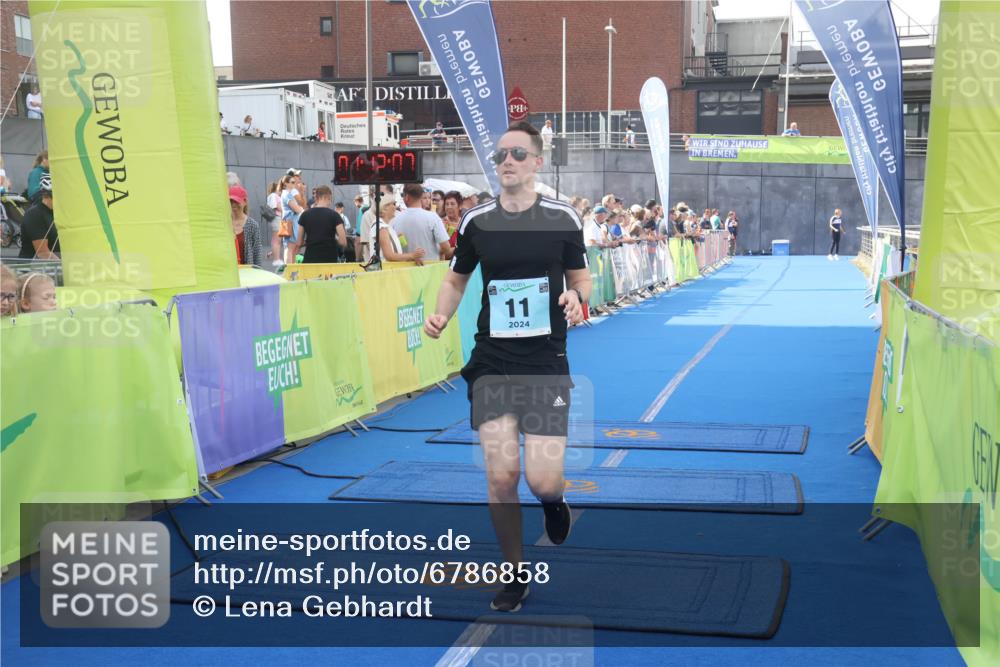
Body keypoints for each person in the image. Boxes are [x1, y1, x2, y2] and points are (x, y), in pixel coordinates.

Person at [423, 120, 591, 613]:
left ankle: (553, 503)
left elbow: (583, 279)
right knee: (501, 477)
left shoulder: (563, 218)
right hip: (492, 360)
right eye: (500, 155)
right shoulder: (475, 222)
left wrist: (576, 299)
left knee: (542, 480)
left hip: (545, 363)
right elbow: (455, 281)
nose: (507, 161)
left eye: (518, 153)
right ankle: (516, 572)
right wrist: (440, 313)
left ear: (538, 162)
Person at [392, 183, 452, 260]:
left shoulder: (396, 219)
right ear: (421, 197)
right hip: (430, 267)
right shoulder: (433, 217)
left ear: (406, 197)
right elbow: (446, 247)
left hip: (405, 268)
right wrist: (434, 252)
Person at [295, 186, 347, 263]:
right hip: (329, 259)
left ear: (316, 197)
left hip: (310, 258)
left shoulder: (305, 215)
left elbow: (299, 243)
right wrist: (333, 239)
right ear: (328, 197)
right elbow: (343, 242)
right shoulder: (335, 215)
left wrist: (312, 240)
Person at [371, 197, 424, 264]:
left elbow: (394, 253)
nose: (396, 207)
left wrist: (411, 258)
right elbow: (389, 256)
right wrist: (412, 255)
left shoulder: (386, 226)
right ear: (385, 207)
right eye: (394, 204)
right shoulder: (381, 227)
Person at [19, 174, 58, 260]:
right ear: (46, 195)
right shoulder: (35, 215)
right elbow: (43, 253)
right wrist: (65, 267)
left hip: (53, 267)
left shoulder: (59, 213)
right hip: (33, 268)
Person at [229, 185, 265, 266]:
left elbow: (257, 254)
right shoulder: (225, 224)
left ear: (245, 202)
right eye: (231, 201)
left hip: (247, 273)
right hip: (228, 273)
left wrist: (258, 274)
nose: (233, 204)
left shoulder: (252, 225)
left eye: (236, 201)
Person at [266, 181, 284, 266]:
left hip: (276, 219)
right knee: (277, 240)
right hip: (277, 218)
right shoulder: (274, 196)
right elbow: (276, 206)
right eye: (280, 189)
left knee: (276, 240)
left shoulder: (273, 196)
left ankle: (275, 256)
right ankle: (276, 260)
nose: (281, 191)